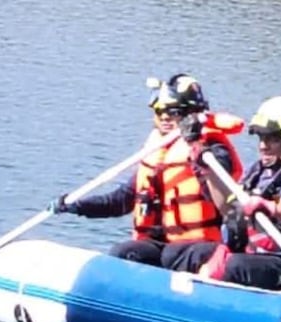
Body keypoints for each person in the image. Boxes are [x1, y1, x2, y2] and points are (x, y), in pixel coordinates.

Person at [49, 74, 243, 266]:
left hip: (198, 245)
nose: (165, 117)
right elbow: (121, 201)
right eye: (159, 111)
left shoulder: (213, 147)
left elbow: (221, 186)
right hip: (157, 243)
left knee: (172, 255)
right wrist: (76, 205)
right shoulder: (156, 153)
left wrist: (196, 147)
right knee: (125, 252)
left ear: (191, 115)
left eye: (173, 112)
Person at [167, 96, 281, 291]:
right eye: (261, 138)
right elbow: (228, 208)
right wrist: (208, 172)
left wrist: (272, 209)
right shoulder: (259, 171)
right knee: (183, 253)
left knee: (232, 267)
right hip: (259, 253)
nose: (263, 146)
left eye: (272, 139)